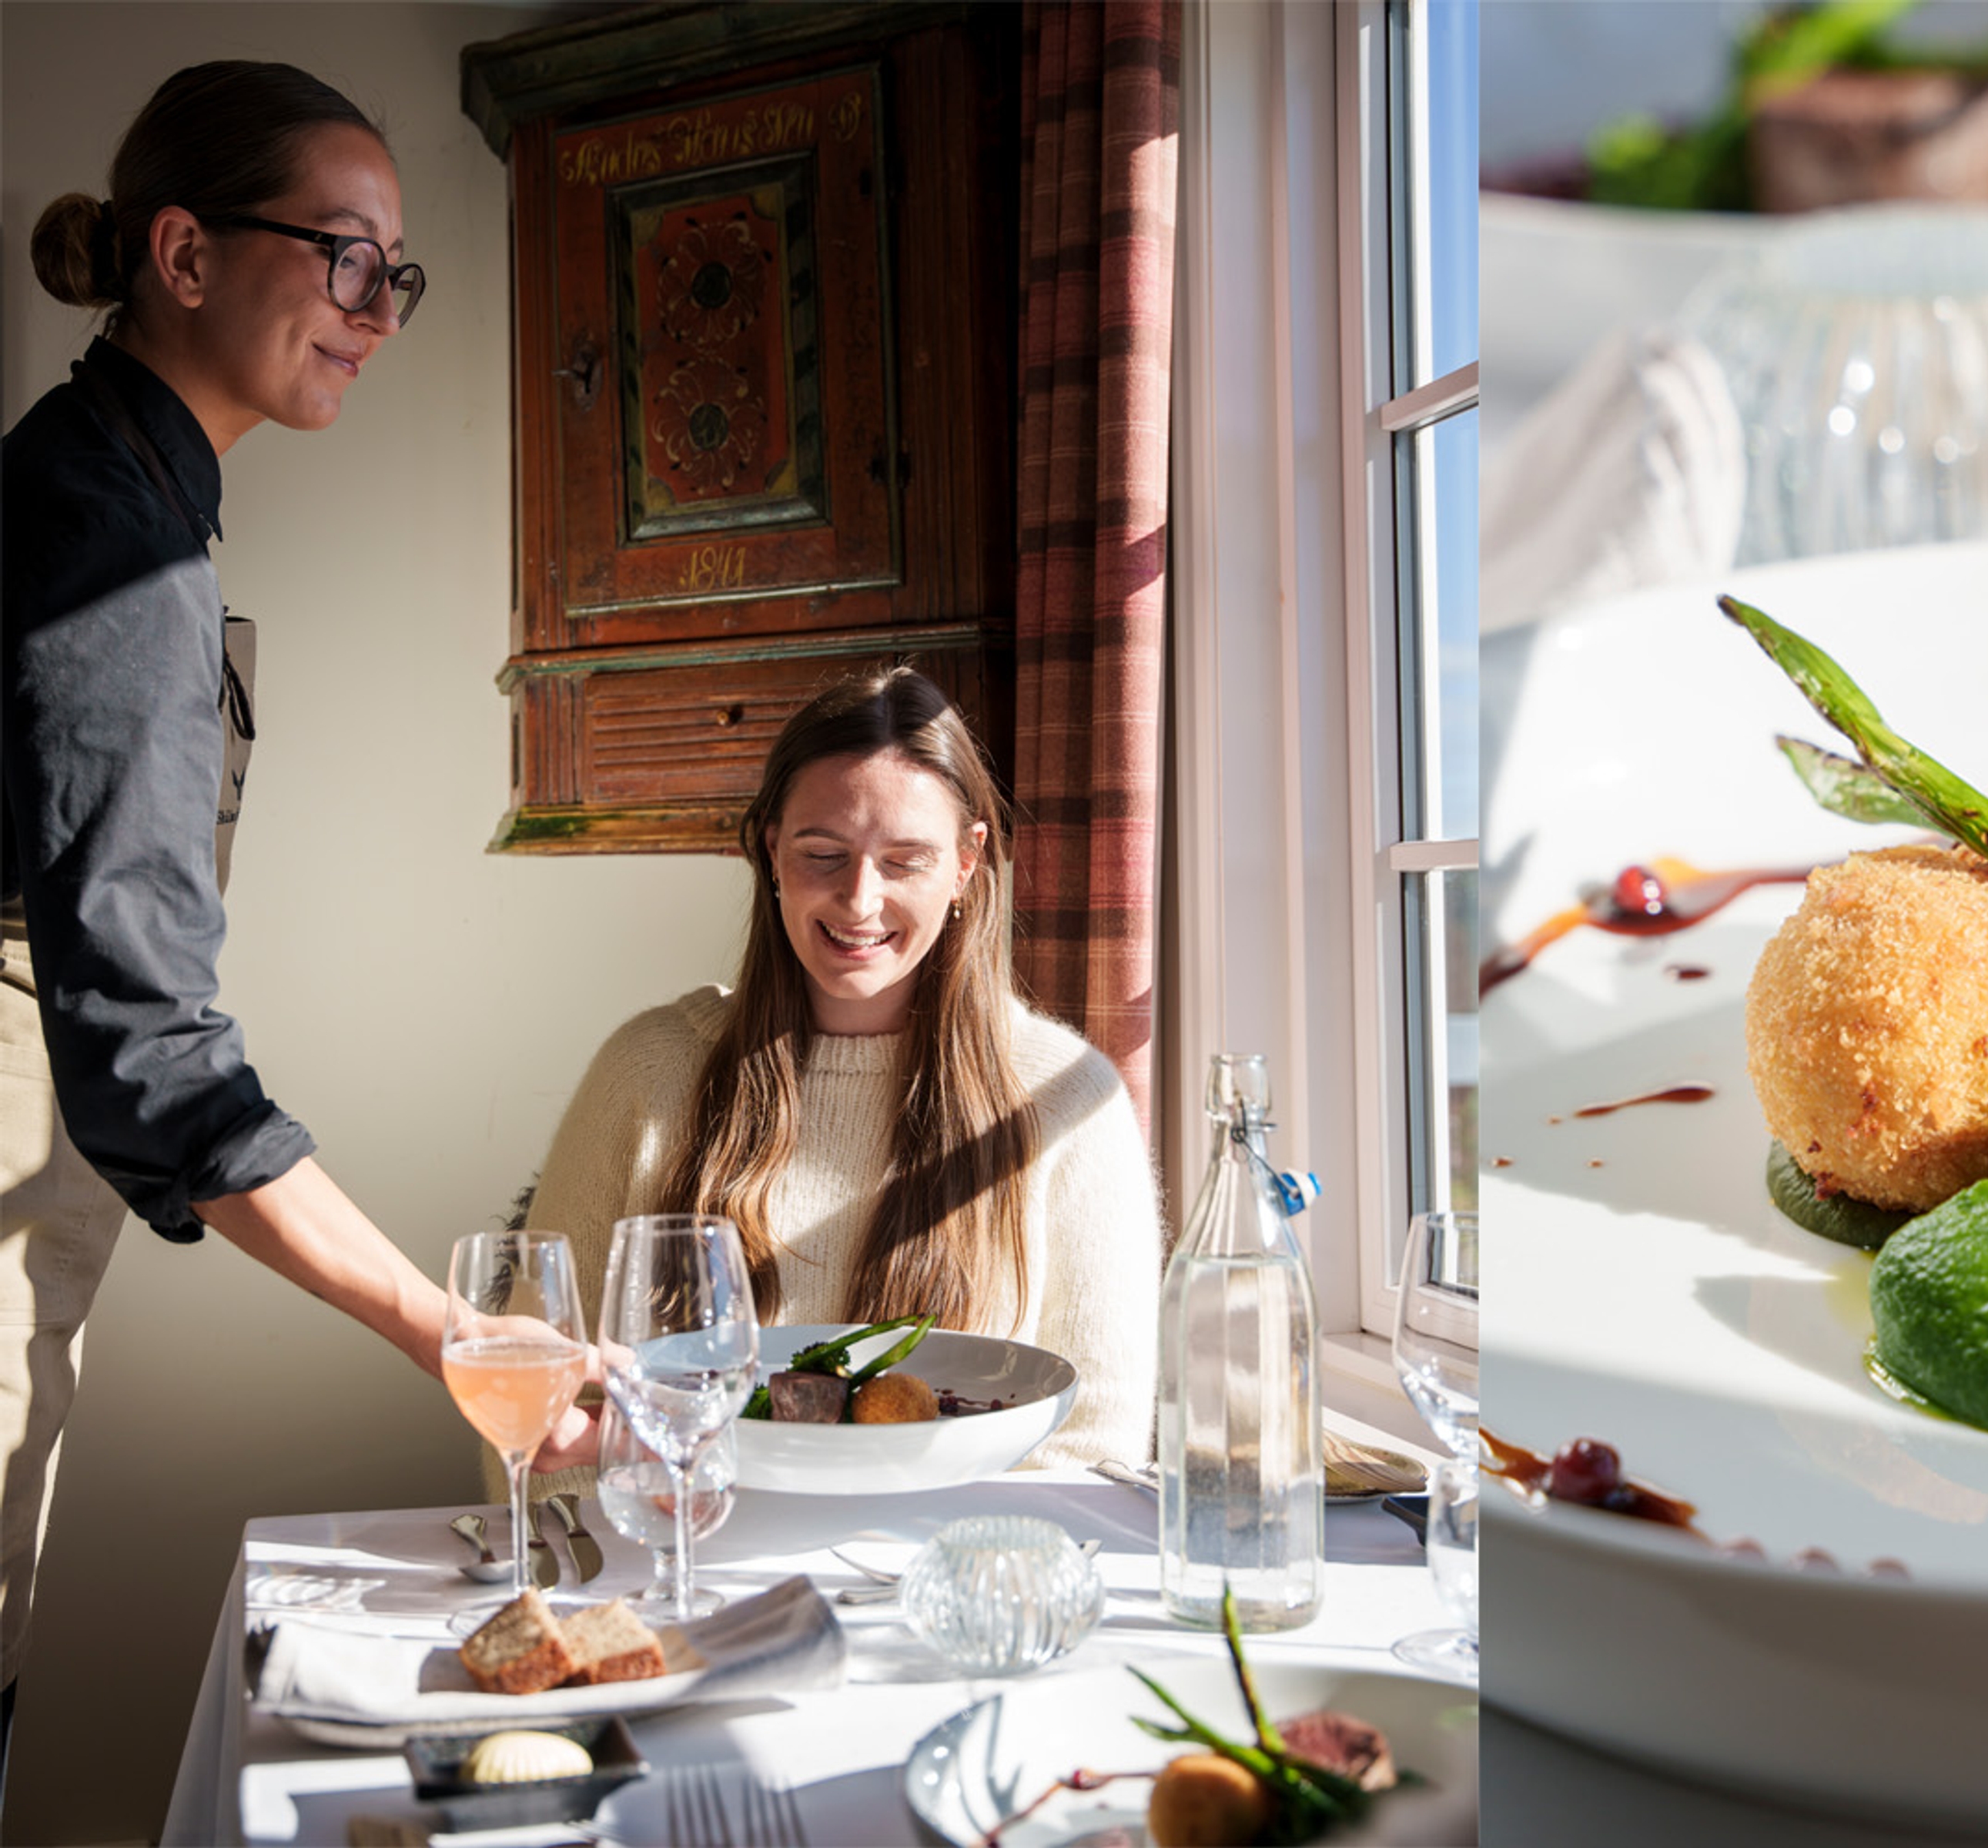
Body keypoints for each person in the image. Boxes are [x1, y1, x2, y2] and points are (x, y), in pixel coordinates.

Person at [0, 62, 586, 1759]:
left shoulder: (108, 488)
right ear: (183, 255)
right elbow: (151, 1051)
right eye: (342, 255)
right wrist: (453, 1331)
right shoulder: (111, 543)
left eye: (394, 273)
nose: (375, 311)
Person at [524, 668, 1162, 1484]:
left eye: (906, 861)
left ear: (968, 864)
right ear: (770, 851)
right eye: (824, 854)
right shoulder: (649, 1073)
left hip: (942, 1592)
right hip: (686, 1576)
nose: (860, 901)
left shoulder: (1068, 1099)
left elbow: (1092, 1450)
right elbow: (541, 1410)